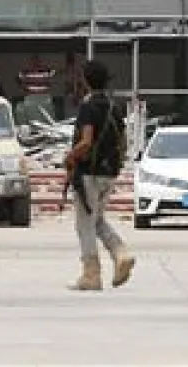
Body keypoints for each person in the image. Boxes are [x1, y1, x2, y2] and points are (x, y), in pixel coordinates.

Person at [61, 60, 134, 292]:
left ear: (85, 80)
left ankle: (91, 275)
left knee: (84, 224)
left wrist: (70, 157)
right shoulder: (115, 107)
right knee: (98, 220)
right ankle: (120, 253)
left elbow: (86, 141)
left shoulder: (88, 107)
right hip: (109, 173)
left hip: (89, 174)